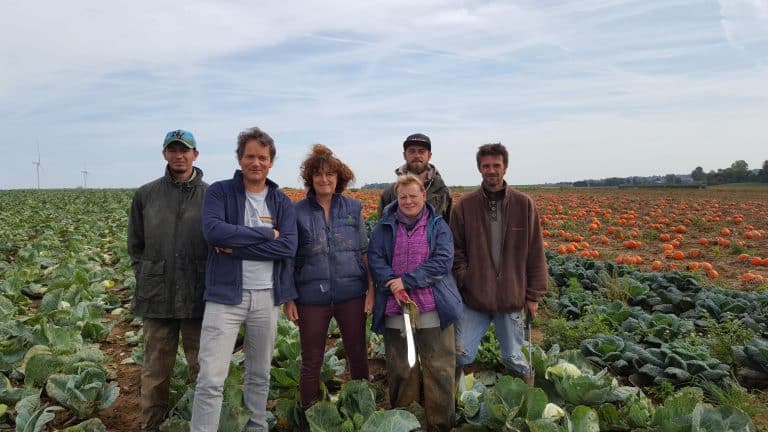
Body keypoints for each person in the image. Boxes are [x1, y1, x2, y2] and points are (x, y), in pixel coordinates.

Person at [190, 127, 298, 432]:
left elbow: (288, 245)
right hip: (225, 297)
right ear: (240, 159)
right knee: (211, 377)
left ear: (271, 162)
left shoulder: (281, 202)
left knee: (260, 374)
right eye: (250, 156)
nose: (256, 162)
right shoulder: (220, 192)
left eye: (262, 157)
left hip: (266, 297)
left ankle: (256, 427)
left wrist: (234, 248)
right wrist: (266, 235)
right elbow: (213, 232)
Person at [368, 174, 463, 432]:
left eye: (413, 196)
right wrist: (391, 281)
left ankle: (440, 424)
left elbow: (442, 261)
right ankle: (406, 423)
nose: (408, 201)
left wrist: (407, 281)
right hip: (395, 308)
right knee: (402, 368)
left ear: (423, 196)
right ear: (397, 199)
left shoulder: (437, 225)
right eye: (403, 197)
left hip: (433, 307)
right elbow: (375, 257)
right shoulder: (384, 226)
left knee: (439, 368)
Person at [127, 129, 208, 432]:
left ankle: (203, 424)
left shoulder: (210, 196)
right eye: (173, 150)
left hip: (197, 296)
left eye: (184, 150)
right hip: (156, 297)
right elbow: (135, 245)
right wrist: (148, 275)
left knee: (202, 368)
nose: (179, 155)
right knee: (155, 371)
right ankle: (152, 425)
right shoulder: (146, 195)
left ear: (195, 155)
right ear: (164, 154)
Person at [283, 144, 374, 409]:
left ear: (339, 178)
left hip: (351, 294)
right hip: (311, 298)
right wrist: (289, 297)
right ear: (310, 178)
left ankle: (362, 407)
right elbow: (288, 258)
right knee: (311, 359)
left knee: (358, 354)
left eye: (330, 174)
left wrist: (371, 289)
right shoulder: (296, 212)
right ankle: (309, 412)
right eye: (319, 174)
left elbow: (364, 250)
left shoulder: (353, 208)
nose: (324, 179)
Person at [449, 143, 548, 386]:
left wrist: (533, 295)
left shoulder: (523, 204)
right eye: (486, 166)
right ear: (479, 168)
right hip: (475, 298)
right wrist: (466, 277)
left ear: (505, 167)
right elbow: (455, 250)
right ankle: (454, 400)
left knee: (515, 357)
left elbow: (535, 252)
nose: (491, 170)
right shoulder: (465, 206)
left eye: (496, 165)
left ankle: (524, 398)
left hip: (511, 298)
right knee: (461, 353)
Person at [378, 133, 453, 222]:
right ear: (405, 155)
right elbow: (382, 227)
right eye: (412, 151)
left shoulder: (442, 191)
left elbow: (449, 227)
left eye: (421, 151)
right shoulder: (390, 192)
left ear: (429, 156)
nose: (417, 155)